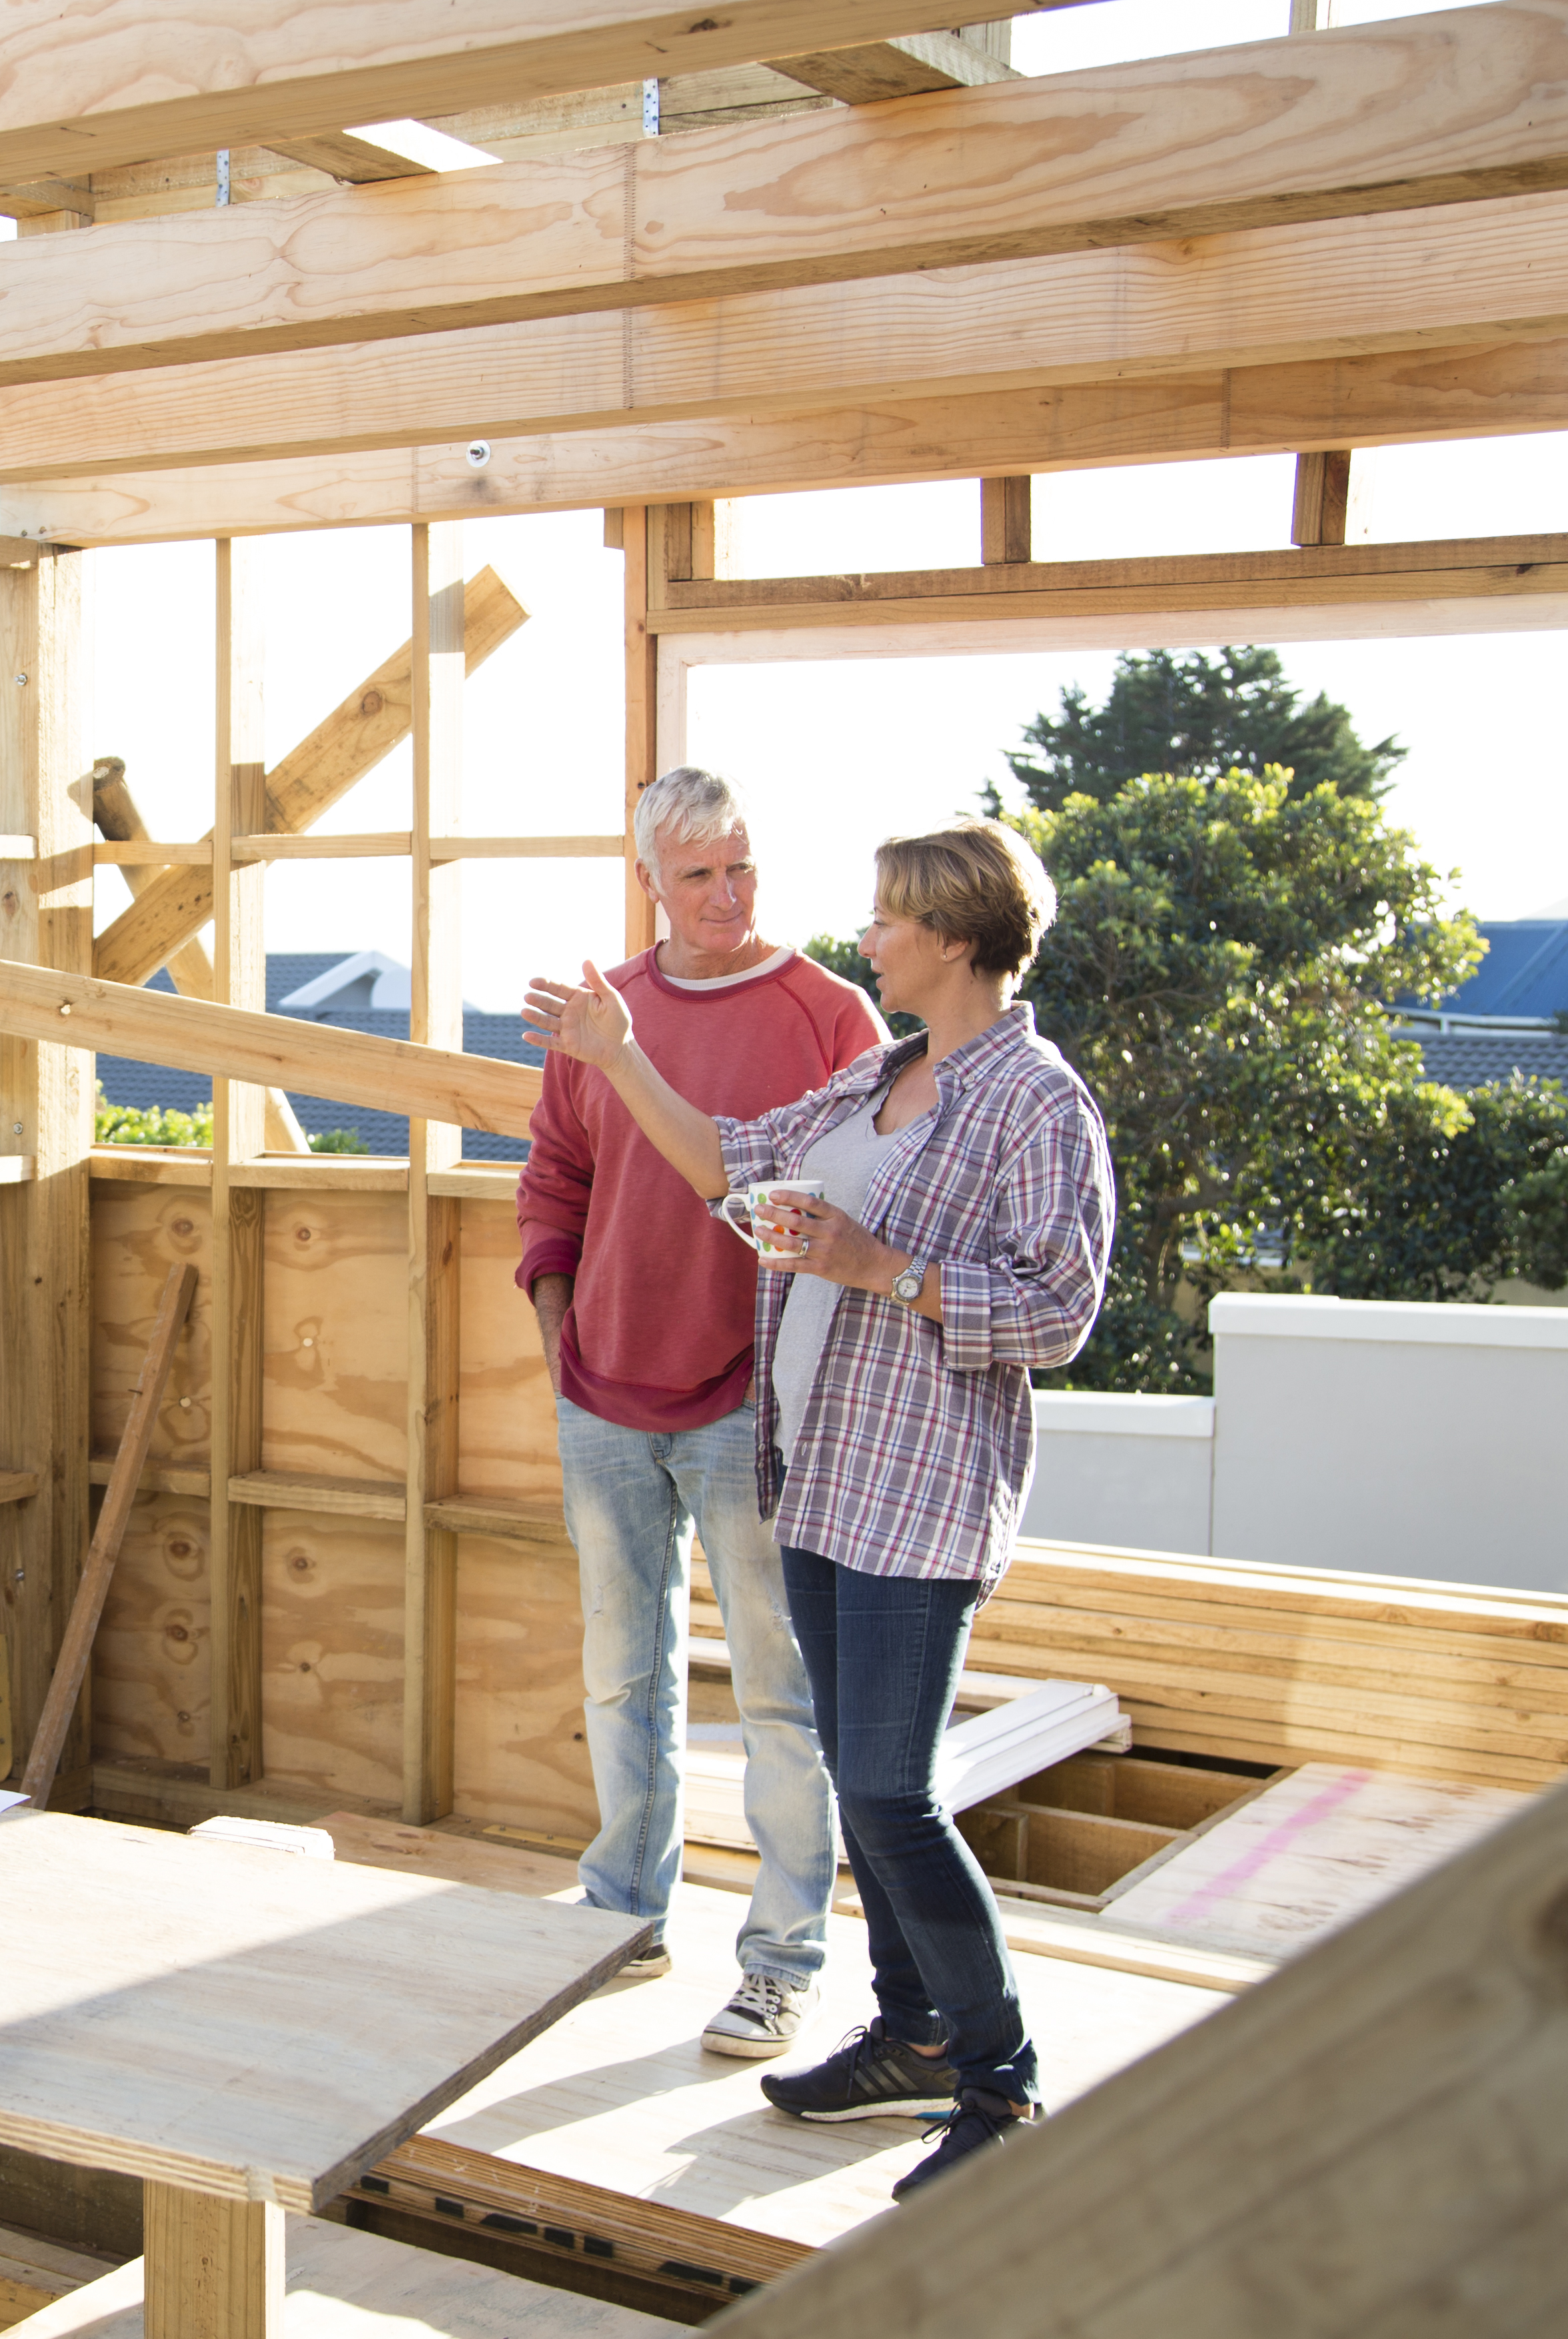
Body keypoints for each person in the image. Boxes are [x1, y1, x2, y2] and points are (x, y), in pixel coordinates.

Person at [520, 815, 1114, 2202]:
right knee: (862, 1783)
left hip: (922, 1493)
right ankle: (908, 2032)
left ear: (957, 938)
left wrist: (881, 1267)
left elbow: (1063, 1311)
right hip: (826, 1475)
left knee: (897, 1793)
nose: (870, 940)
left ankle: (1001, 2081)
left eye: (892, 921)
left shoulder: (1037, 1102)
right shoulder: (878, 1080)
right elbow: (727, 1162)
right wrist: (616, 1057)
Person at [515, 770, 884, 2057]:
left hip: (752, 1404)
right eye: (698, 877)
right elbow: (555, 1174)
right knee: (623, 1679)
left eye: (742, 870)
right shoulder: (606, 1018)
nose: (726, 897)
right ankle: (620, 1917)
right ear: (650, 885)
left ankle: (784, 1956)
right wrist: (555, 1315)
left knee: (781, 1696)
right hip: (605, 1396)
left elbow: (858, 1192)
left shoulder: (828, 1014)